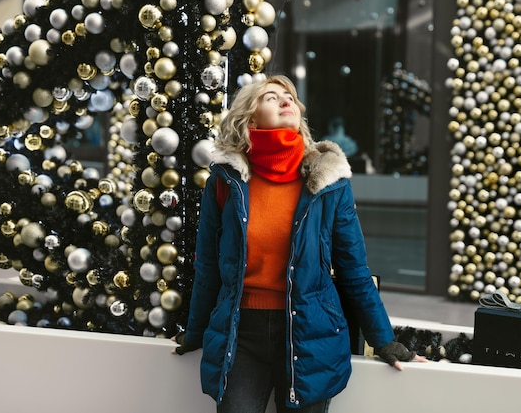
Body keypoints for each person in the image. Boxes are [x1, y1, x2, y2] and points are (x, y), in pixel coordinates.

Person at [171, 75, 425, 412]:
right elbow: (207, 265)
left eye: (289, 96)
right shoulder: (225, 181)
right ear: (249, 116)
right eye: (272, 97)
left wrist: (384, 340)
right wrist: (195, 332)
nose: (286, 101)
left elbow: (354, 269)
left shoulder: (329, 182)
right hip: (241, 334)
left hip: (310, 334)